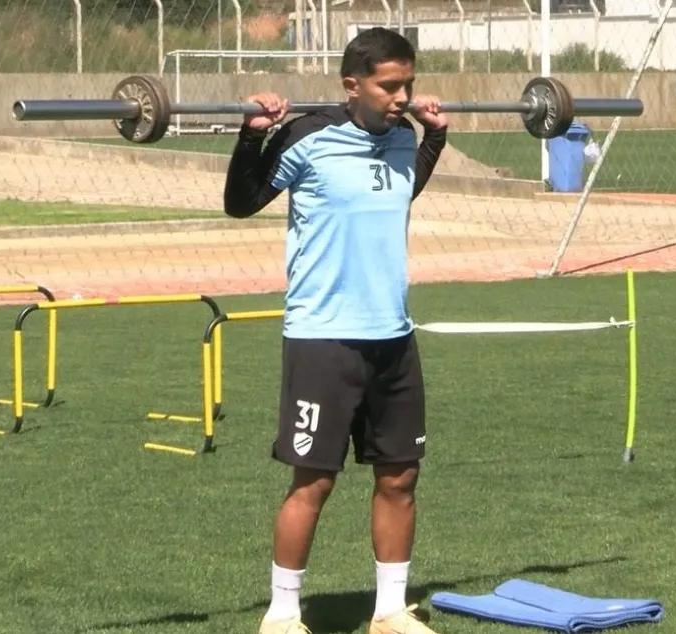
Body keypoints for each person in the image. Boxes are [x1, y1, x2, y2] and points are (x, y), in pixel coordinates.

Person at [223, 26, 448, 634]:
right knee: (313, 481)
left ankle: (389, 612)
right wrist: (253, 140)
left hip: (393, 337)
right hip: (324, 336)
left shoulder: (403, 137)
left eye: (408, 84)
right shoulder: (307, 136)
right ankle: (282, 615)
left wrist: (437, 136)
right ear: (353, 84)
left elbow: (403, 191)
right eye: (389, 85)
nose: (401, 96)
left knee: (400, 476)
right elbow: (242, 202)